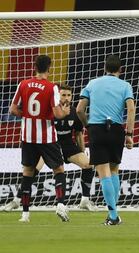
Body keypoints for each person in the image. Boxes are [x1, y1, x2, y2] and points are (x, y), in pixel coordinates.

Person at [3, 84, 97, 212]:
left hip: (68, 145)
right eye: (63, 95)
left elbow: (79, 134)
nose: (66, 98)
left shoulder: (75, 112)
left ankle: (85, 200)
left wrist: (82, 150)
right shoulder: (51, 111)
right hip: (49, 145)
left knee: (88, 164)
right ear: (58, 96)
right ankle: (17, 200)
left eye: (69, 95)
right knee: (33, 170)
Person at [9, 55, 70, 222]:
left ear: (34, 67)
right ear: (49, 67)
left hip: (27, 137)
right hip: (47, 137)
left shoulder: (23, 84)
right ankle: (60, 204)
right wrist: (64, 112)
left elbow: (13, 110)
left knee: (28, 172)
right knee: (58, 170)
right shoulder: (52, 87)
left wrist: (28, 116)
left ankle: (25, 214)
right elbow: (57, 114)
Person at [76, 55, 135, 225]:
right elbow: (131, 109)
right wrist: (129, 135)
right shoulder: (125, 85)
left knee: (103, 172)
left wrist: (88, 126)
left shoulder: (93, 83)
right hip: (116, 129)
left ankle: (113, 216)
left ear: (105, 68)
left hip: (97, 129)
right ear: (120, 69)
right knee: (114, 170)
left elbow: (80, 109)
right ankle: (114, 213)